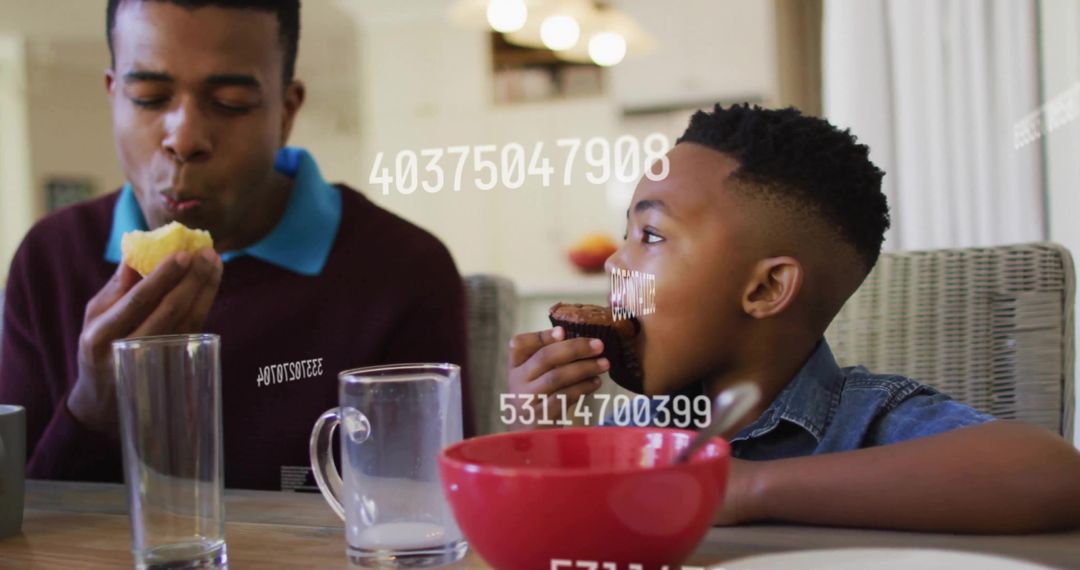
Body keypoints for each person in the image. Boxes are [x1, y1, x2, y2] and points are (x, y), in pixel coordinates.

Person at [507, 103, 1080, 532]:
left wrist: (747, 489)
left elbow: (1055, 473)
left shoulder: (869, 425)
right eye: (624, 235)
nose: (613, 261)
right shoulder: (633, 434)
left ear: (766, 287)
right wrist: (539, 438)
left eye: (650, 235)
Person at [0, 0, 469, 491]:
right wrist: (95, 406)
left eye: (229, 102)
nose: (183, 138)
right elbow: (24, 527)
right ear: (113, 94)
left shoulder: (403, 270)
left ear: (286, 112)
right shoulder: (50, 259)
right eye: (148, 96)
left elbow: (432, 517)